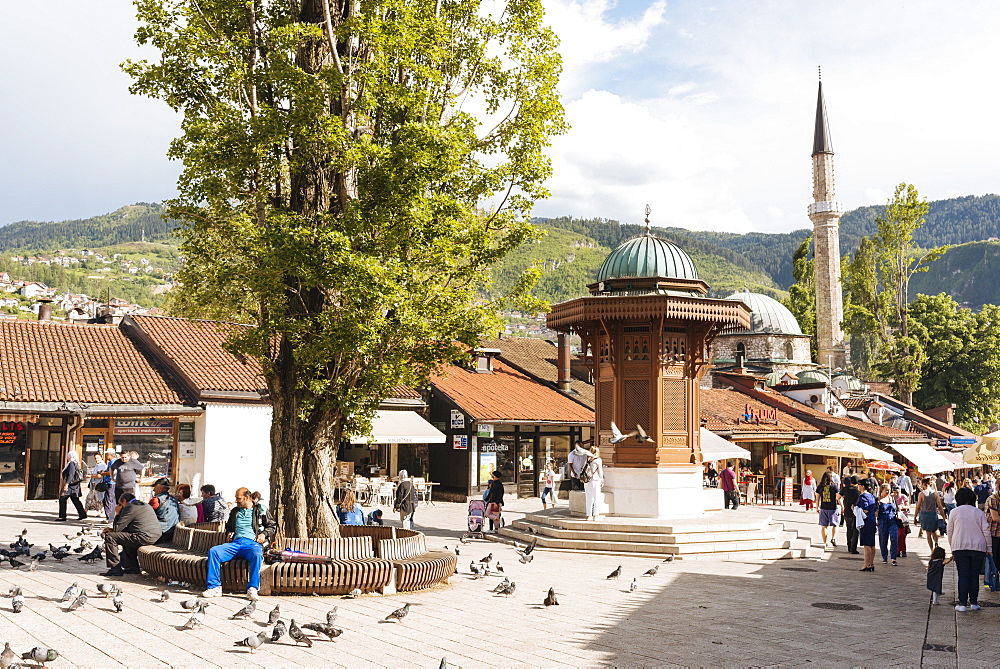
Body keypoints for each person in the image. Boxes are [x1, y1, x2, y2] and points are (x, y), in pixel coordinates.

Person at [202, 487, 276, 601]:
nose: (236, 501)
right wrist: (229, 532)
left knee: (257, 555)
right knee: (214, 551)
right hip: (236, 543)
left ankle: (252, 588)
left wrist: (263, 534)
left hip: (252, 543)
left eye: (238, 498)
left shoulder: (260, 510)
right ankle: (214, 587)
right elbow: (229, 527)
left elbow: (272, 526)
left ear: (246, 497)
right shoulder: (235, 511)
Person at [947, 487, 992, 612]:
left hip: (959, 546)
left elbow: (949, 531)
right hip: (978, 547)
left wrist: (952, 547)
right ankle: (974, 602)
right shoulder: (978, 512)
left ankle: (962, 603)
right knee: (974, 575)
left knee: (963, 575)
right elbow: (986, 532)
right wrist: (989, 548)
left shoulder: (954, 512)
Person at [101, 492, 162, 576]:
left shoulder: (129, 507)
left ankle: (115, 568)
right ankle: (132, 568)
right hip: (155, 536)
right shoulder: (143, 504)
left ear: (124, 501)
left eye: (120, 504)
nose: (120, 506)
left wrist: (118, 513)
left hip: (144, 537)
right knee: (126, 536)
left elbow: (117, 528)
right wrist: (112, 530)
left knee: (110, 537)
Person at [916, 478, 945, 551]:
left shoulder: (921, 494)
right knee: (934, 531)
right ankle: (936, 543)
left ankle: (932, 550)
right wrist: (944, 517)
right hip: (933, 514)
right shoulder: (935, 493)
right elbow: (940, 506)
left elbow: (918, 507)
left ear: (923, 484)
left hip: (925, 515)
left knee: (928, 534)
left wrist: (915, 517)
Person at [148, 478, 180, 544]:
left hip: (162, 533)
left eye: (155, 487)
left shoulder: (156, 500)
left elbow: (146, 513)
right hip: (174, 532)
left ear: (160, 487)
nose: (153, 490)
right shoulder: (174, 499)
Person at [58, 451, 87, 521]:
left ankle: (62, 516)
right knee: (75, 499)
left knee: (62, 499)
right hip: (74, 485)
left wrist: (66, 484)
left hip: (70, 485)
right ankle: (82, 514)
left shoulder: (71, 463)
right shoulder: (76, 463)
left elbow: (71, 474)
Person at [855, 480, 878, 571]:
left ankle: (866, 564)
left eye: (859, 485)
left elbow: (865, 509)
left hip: (866, 521)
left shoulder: (863, 496)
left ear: (863, 486)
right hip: (872, 520)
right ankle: (871, 563)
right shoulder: (872, 496)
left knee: (866, 544)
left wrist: (856, 509)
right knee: (872, 543)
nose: (858, 486)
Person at [875, 483, 900, 566]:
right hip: (882, 520)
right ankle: (884, 557)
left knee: (894, 538)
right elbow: (875, 512)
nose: (888, 492)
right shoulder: (878, 500)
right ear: (882, 490)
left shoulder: (892, 498)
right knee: (883, 539)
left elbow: (897, 508)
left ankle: (893, 558)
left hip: (893, 520)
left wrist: (898, 514)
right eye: (886, 490)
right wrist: (876, 520)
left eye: (889, 490)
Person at [816, 472, 840, 547]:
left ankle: (824, 542)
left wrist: (817, 507)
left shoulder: (820, 487)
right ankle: (833, 538)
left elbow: (817, 498)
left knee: (824, 526)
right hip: (833, 508)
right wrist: (842, 506)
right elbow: (838, 498)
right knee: (835, 525)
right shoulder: (834, 487)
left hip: (823, 508)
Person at [582, 445, 604, 521]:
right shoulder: (598, 460)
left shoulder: (587, 459)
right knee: (596, 498)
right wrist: (602, 480)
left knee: (589, 498)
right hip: (595, 480)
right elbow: (600, 471)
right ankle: (596, 515)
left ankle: (588, 515)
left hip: (587, 480)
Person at [838, 477, 860, 554]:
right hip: (856, 512)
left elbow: (838, 497)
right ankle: (854, 548)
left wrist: (842, 506)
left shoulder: (845, 489)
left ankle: (849, 546)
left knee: (849, 529)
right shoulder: (858, 490)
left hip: (847, 510)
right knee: (855, 530)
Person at [100, 449, 118, 522]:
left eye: (107, 454)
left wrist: (103, 473)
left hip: (111, 482)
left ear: (110, 455)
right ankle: (109, 516)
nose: (106, 456)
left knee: (108, 500)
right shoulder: (111, 462)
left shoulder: (113, 462)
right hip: (109, 482)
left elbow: (112, 472)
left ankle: (109, 517)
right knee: (107, 500)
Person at [893, 484, 910, 558]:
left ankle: (903, 550)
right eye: (894, 492)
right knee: (895, 535)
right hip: (894, 517)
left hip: (903, 518)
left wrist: (902, 507)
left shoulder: (903, 497)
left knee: (901, 535)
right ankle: (897, 550)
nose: (896, 494)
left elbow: (908, 506)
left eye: (897, 492)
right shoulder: (891, 496)